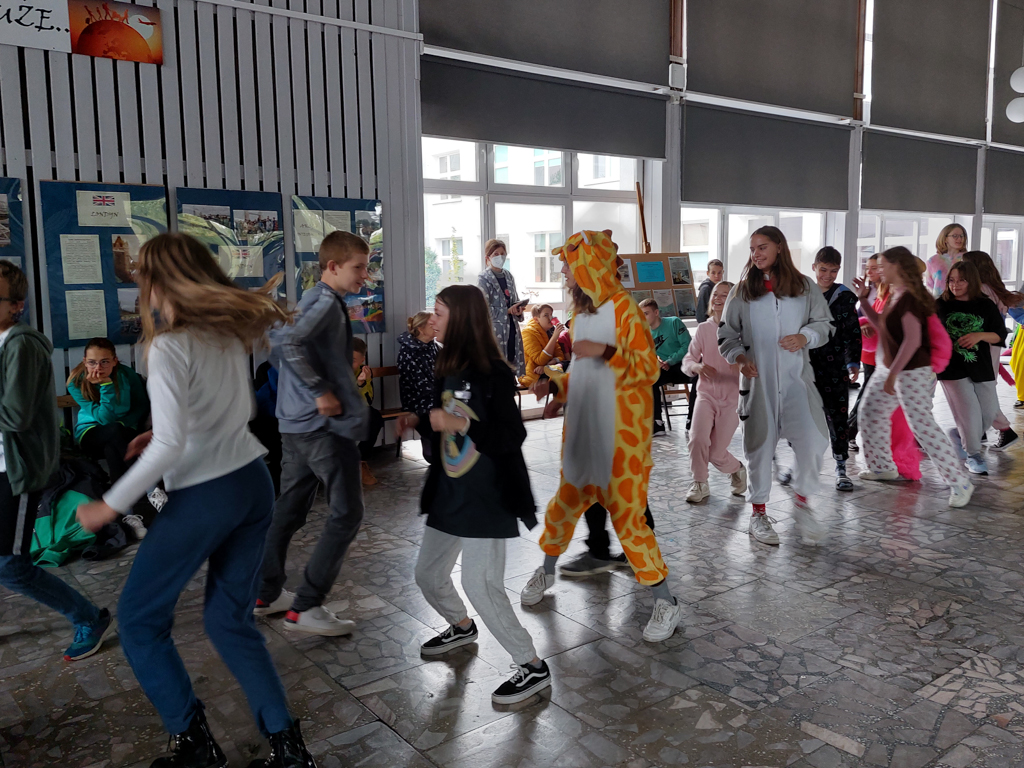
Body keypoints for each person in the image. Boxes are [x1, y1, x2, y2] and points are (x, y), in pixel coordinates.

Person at [74, 235, 317, 767]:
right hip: (251, 481)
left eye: (142, 279)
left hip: (208, 493)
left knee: (139, 620)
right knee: (229, 621)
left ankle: (195, 745)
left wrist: (109, 506)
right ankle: (288, 749)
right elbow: (233, 412)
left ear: (160, 283)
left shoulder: (167, 345)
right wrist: (168, 431)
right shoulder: (225, 333)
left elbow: (169, 445)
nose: (140, 289)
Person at [522, 229, 682, 643]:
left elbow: (648, 370)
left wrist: (606, 351)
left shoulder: (626, 310)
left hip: (620, 441)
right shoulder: (581, 316)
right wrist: (556, 388)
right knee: (562, 508)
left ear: (588, 266)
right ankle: (546, 571)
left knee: (629, 521)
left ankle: (666, 601)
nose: (562, 271)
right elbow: (584, 373)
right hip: (584, 433)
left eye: (567, 264)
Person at [397, 286, 551, 705]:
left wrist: (460, 425)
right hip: (450, 491)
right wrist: (420, 420)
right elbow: (447, 418)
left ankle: (532, 666)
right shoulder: (447, 365)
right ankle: (461, 626)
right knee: (428, 574)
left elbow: (509, 435)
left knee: (480, 584)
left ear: (462, 318)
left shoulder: (492, 372)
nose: (432, 319)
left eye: (439, 312)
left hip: (488, 494)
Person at [255, 230, 370, 636]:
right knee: (347, 512)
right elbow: (286, 343)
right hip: (321, 428)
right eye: (359, 267)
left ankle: (265, 593)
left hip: (296, 425)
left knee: (289, 509)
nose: (365, 275)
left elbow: (283, 342)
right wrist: (320, 391)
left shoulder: (316, 299)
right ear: (332, 266)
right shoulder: (323, 302)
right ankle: (306, 605)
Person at [0, 261, 113, 664]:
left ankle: (89, 618)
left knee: (12, 567)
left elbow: (16, 415)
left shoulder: (22, 345)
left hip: (14, 472)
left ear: (16, 305)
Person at [718, 226, 832, 546]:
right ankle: (758, 514)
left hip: (797, 381)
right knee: (760, 447)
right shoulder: (742, 291)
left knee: (813, 439)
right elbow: (726, 335)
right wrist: (741, 358)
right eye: (752, 249)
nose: (756, 254)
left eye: (762, 247)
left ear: (779, 247)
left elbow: (823, 324)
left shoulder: (804, 287)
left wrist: (805, 337)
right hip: (759, 384)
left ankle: (802, 503)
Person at [853, 246, 974, 508]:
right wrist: (863, 300)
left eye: (883, 265)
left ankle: (960, 482)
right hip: (891, 367)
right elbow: (882, 324)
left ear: (897, 266)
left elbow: (912, 340)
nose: (878, 270)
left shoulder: (910, 298)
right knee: (870, 411)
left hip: (911, 370)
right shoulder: (896, 293)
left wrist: (893, 374)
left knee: (923, 426)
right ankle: (882, 466)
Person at [66, 337, 151, 537]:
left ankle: (128, 515)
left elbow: (140, 406)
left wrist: (124, 425)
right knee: (113, 432)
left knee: (113, 448)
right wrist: (105, 386)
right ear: (84, 361)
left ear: (114, 360)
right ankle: (150, 486)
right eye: (92, 362)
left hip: (121, 433)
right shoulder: (76, 382)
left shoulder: (126, 375)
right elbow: (104, 419)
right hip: (91, 433)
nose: (98, 367)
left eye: (104, 361)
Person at [935, 261, 1008, 475]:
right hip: (951, 369)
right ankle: (973, 455)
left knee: (988, 412)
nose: (955, 285)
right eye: (951, 280)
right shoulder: (940, 304)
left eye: (962, 280)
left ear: (972, 281)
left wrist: (979, 335)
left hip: (981, 365)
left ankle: (960, 436)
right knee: (968, 413)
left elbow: (999, 335)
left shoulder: (985, 304)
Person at [681, 281, 746, 503]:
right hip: (706, 395)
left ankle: (736, 468)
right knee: (697, 439)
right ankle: (699, 483)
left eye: (724, 295)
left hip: (733, 399)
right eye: (715, 294)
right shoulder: (703, 329)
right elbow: (688, 359)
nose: (717, 298)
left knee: (716, 453)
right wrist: (696, 366)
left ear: (734, 300)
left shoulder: (743, 331)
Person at [807, 247, 861, 491]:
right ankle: (801, 466)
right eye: (823, 269)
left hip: (834, 366)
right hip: (805, 366)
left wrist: (853, 362)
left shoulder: (845, 297)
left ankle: (841, 467)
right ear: (814, 267)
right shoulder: (802, 293)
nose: (827, 275)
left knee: (837, 417)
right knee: (803, 417)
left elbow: (852, 331)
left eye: (833, 271)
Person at [961, 250, 1022, 451]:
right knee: (980, 390)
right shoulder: (992, 288)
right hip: (988, 345)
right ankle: (980, 430)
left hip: (982, 345)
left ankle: (1004, 430)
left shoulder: (981, 290)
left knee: (980, 390)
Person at [639, 298, 694, 436]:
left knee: (699, 379)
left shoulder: (674, 322)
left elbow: (687, 346)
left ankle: (692, 419)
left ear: (656, 312)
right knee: (648, 379)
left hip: (683, 364)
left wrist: (670, 361)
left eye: (646, 313)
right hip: (664, 368)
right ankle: (657, 423)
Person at [848, 254, 883, 451]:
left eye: (875, 268)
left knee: (871, 394)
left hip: (884, 349)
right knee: (868, 392)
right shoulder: (867, 292)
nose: (870, 272)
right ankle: (849, 432)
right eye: (868, 268)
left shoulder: (889, 292)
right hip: (869, 349)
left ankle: (850, 431)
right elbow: (857, 318)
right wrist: (861, 326)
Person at [478, 239, 525, 377]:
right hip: (495, 331)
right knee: (496, 369)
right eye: (496, 254)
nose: (500, 257)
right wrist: (506, 311)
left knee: (511, 365)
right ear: (488, 257)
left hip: (512, 329)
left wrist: (518, 309)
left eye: (502, 253)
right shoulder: (483, 279)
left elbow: (514, 300)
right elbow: (482, 309)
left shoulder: (508, 276)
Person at [397, 311, 438, 460]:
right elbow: (418, 384)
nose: (436, 326)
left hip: (434, 398)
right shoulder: (408, 351)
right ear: (421, 329)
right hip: (418, 402)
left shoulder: (434, 347)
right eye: (431, 324)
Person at [351, 337, 383, 486]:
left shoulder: (363, 371)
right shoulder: (334, 369)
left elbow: (368, 402)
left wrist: (362, 383)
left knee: (374, 416)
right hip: (334, 411)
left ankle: (360, 461)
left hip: (354, 411)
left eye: (353, 360)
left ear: (362, 360)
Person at [519, 304, 567, 388]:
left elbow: (560, 356)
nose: (551, 318)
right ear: (536, 319)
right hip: (535, 375)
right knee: (567, 370)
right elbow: (540, 360)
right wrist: (554, 337)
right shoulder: (528, 332)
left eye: (551, 314)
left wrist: (547, 366)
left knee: (569, 366)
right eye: (546, 315)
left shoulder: (550, 331)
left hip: (547, 369)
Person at [924, 223, 968, 297]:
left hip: (962, 300)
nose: (959, 239)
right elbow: (930, 286)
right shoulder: (933, 261)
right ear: (945, 238)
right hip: (938, 300)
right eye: (955, 236)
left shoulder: (967, 259)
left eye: (962, 236)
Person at [695, 259, 724, 323]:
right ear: (708, 273)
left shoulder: (720, 287)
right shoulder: (706, 289)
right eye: (713, 273)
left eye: (719, 273)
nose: (717, 276)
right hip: (709, 324)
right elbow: (701, 313)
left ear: (723, 272)